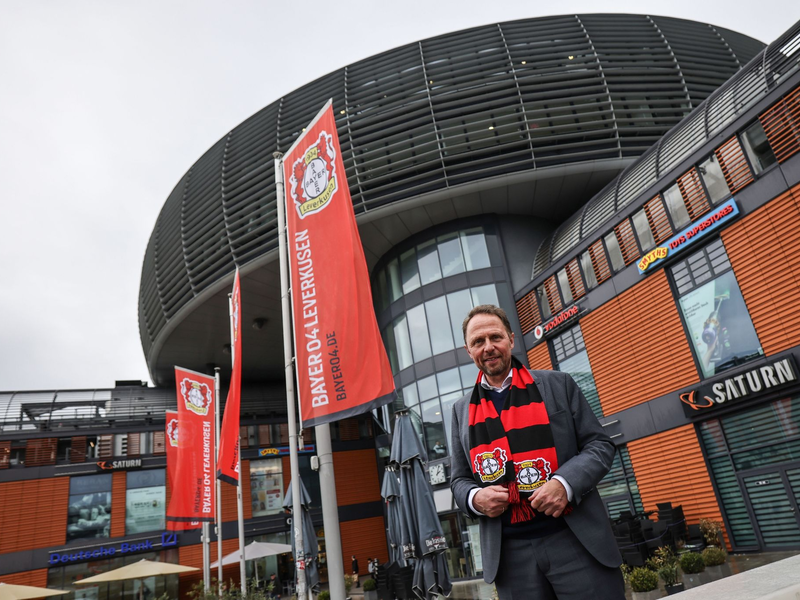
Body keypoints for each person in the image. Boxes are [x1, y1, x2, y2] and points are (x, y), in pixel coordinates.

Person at [449, 305, 624, 600]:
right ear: (469, 351)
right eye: (478, 341)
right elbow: (459, 480)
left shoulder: (559, 384)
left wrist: (564, 484)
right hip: (511, 558)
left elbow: (600, 445)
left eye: (495, 337)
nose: (488, 347)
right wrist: (475, 498)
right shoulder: (460, 411)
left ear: (511, 339)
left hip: (575, 540)